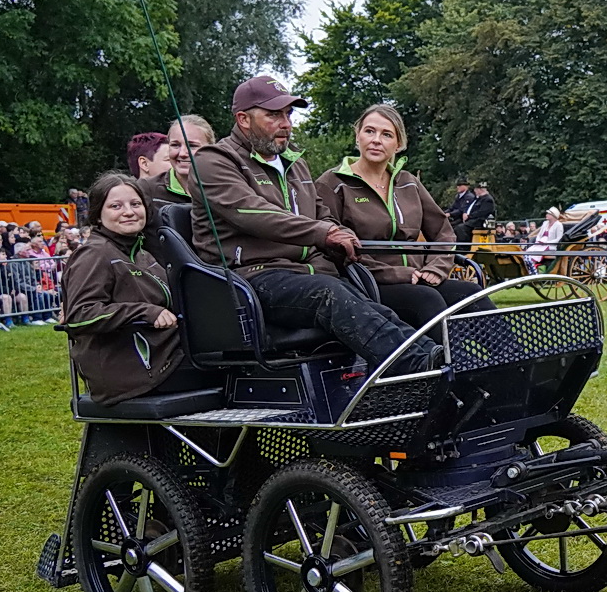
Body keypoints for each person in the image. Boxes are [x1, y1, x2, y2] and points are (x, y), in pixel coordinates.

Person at [187, 75, 437, 372]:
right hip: (252, 278)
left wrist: (338, 231)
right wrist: (326, 232)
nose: (286, 123)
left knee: (370, 305)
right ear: (243, 119)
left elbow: (320, 212)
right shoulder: (213, 160)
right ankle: (415, 368)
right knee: (331, 294)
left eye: (289, 114)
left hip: (311, 274)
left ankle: (437, 359)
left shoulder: (295, 165)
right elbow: (254, 213)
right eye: (274, 115)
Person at [316, 104, 481, 329]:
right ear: (358, 137)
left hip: (419, 277)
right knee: (426, 299)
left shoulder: (409, 182)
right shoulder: (332, 183)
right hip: (366, 284)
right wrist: (396, 273)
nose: (376, 140)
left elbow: (443, 231)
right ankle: (447, 362)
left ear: (399, 144)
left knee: (471, 293)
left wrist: (436, 267)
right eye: (369, 131)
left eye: (386, 134)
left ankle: (513, 363)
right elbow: (333, 246)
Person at [58, 174, 203, 405]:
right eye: (116, 206)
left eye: (135, 204)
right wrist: (145, 311)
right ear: (97, 214)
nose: (129, 212)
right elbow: (79, 316)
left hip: (168, 356)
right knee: (235, 376)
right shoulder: (95, 254)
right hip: (131, 374)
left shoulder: (142, 254)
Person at [158, 113, 216, 203]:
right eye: (175, 145)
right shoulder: (148, 190)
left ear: (211, 149)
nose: (182, 153)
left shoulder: (227, 187)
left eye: (192, 146)